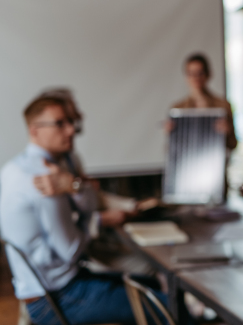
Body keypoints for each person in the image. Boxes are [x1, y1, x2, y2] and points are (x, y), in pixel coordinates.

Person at [0, 95, 168, 324]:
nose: (71, 130)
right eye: (60, 123)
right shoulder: (44, 177)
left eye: (70, 122)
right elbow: (71, 249)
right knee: (169, 305)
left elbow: (89, 201)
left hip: (54, 287)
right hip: (59, 297)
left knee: (153, 285)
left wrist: (73, 185)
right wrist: (93, 221)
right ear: (35, 130)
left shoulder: (17, 167)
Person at [170, 53, 237, 151]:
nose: (195, 78)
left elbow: (233, 144)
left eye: (199, 73)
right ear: (186, 76)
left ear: (208, 74)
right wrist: (172, 134)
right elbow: (172, 148)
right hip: (187, 162)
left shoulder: (223, 106)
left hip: (214, 161)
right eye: (191, 73)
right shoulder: (177, 109)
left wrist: (227, 132)